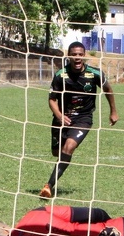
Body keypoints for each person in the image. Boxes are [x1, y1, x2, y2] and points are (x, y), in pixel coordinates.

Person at [40, 42, 119, 199]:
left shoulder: (94, 74)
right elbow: (52, 100)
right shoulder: (60, 75)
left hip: (84, 118)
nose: (77, 57)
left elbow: (108, 90)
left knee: (68, 148)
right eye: (73, 54)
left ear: (84, 55)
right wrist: (59, 115)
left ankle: (48, 186)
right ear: (69, 56)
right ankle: (60, 162)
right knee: (57, 152)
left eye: (80, 54)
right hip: (62, 118)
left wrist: (113, 111)